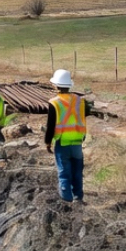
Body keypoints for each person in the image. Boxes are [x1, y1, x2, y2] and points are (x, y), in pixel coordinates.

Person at [44, 69, 87, 202]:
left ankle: (66, 200)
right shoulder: (79, 101)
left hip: (62, 142)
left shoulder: (54, 103)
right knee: (77, 172)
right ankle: (78, 197)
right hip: (77, 141)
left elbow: (50, 125)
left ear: (56, 85)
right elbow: (82, 118)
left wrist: (47, 142)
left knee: (64, 173)